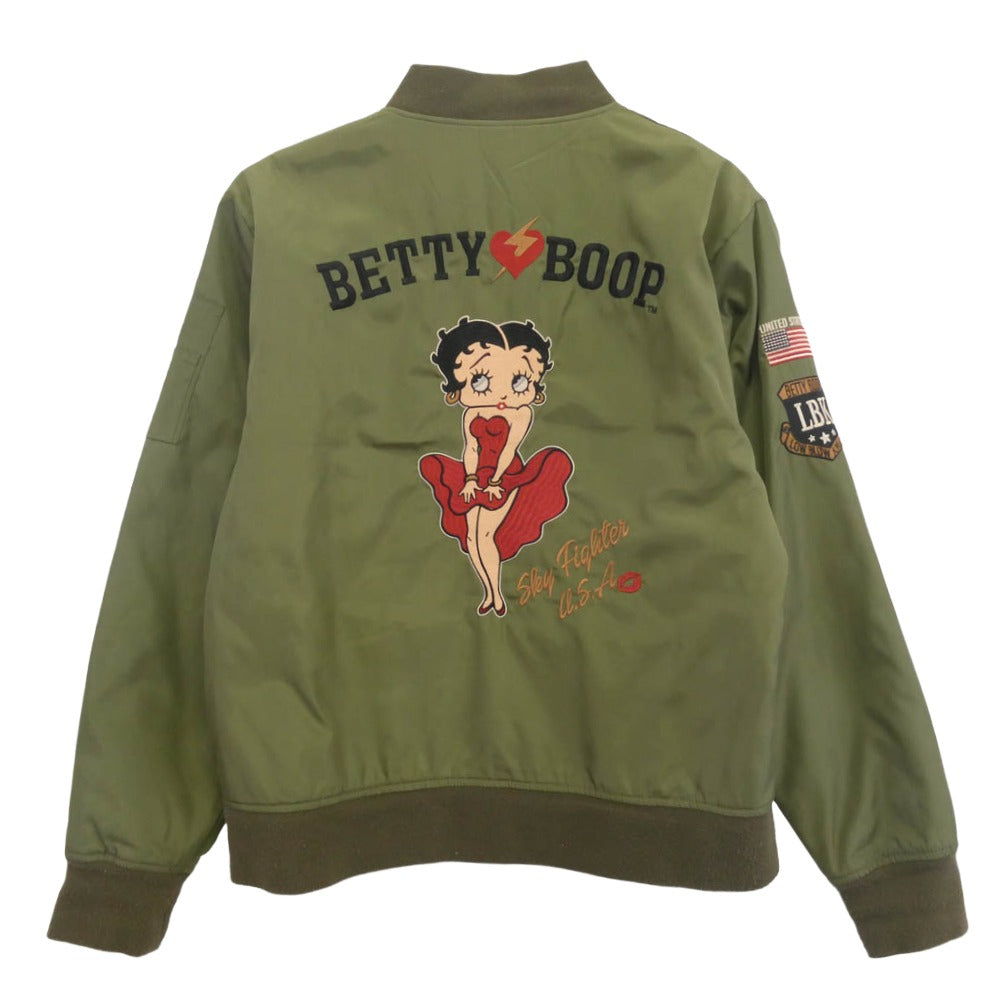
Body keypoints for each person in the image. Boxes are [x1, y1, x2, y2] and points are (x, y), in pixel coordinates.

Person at [418, 316, 574, 616]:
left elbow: (510, 449)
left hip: (506, 474)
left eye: (520, 381)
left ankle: (497, 595)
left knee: (486, 535)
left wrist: (495, 481)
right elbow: (471, 448)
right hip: (477, 475)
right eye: (479, 380)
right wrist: (470, 479)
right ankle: (489, 592)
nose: (503, 393)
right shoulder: (471, 413)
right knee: (472, 537)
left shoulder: (521, 414)